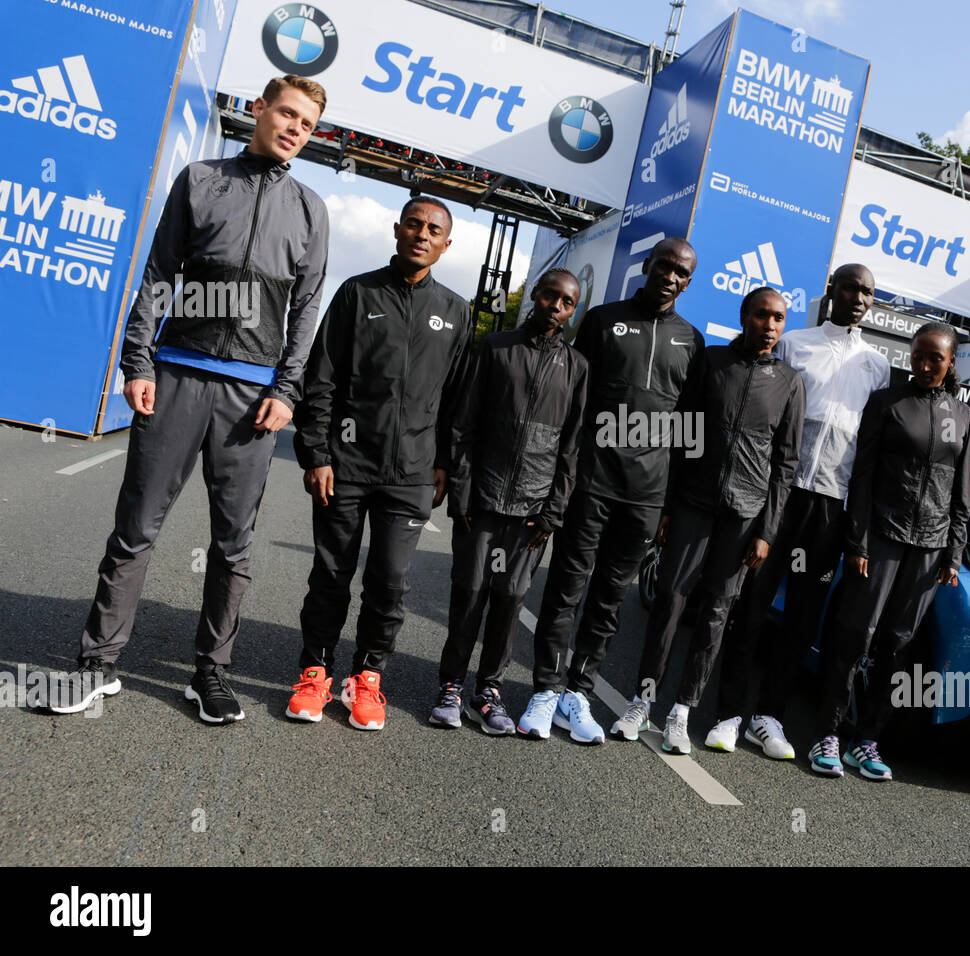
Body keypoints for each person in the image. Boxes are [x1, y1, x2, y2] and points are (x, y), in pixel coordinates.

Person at [44, 76, 330, 723]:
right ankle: (97, 665)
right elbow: (158, 274)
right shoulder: (200, 180)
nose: (293, 128)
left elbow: (307, 309)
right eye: (286, 113)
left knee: (235, 545)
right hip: (175, 376)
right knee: (136, 529)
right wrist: (138, 359)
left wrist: (288, 390)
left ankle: (211, 672)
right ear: (259, 109)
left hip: (251, 400)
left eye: (306, 124)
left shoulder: (311, 209)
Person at [285, 196, 472, 731]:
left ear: (446, 243)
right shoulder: (356, 292)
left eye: (433, 229)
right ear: (397, 229)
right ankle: (315, 673)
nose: (421, 233)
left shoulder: (456, 312)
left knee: (389, 582)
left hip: (412, 474)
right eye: (413, 223)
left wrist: (445, 465)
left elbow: (458, 401)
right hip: (344, 466)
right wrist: (317, 453)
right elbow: (320, 379)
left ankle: (366, 679)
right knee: (331, 574)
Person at [519, 238, 704, 743]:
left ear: (688, 281)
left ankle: (579, 691)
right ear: (647, 266)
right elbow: (573, 398)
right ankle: (546, 689)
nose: (670, 276)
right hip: (591, 483)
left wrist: (671, 503)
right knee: (565, 589)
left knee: (608, 600)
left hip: (647, 495)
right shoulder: (602, 320)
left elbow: (691, 429)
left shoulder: (692, 339)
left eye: (681, 272)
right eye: (664, 265)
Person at [610, 288, 804, 754]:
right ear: (744, 316)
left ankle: (682, 711)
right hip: (694, 505)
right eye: (762, 315)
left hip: (745, 515)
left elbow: (786, 464)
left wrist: (767, 532)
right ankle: (643, 700)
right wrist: (669, 505)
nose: (771, 325)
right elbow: (683, 433)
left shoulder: (790, 381)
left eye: (779, 318)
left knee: (716, 613)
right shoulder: (712, 360)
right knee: (671, 602)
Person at [707, 264, 889, 757]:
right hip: (780, 500)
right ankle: (727, 713)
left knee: (802, 619)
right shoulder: (795, 343)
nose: (859, 297)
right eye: (851, 287)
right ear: (832, 291)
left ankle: (768, 718)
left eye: (868, 292)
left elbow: (868, 449)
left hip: (830, 509)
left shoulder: (877, 365)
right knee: (752, 605)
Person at [809, 321, 970, 780]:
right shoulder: (887, 403)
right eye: (917, 356)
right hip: (880, 539)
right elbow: (861, 477)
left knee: (896, 646)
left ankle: (867, 740)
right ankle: (828, 733)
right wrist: (857, 540)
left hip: (930, 548)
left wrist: (953, 554)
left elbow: (963, 492)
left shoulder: (960, 416)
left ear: (950, 363)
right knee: (852, 637)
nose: (922, 365)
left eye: (933, 359)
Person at [428, 269, 589, 734]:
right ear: (535, 297)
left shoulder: (577, 366)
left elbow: (572, 446)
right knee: (470, 595)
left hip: (533, 511)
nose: (556, 307)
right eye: (550, 297)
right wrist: (461, 494)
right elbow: (463, 425)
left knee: (509, 600)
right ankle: (452, 686)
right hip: (482, 500)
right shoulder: (495, 348)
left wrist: (554, 510)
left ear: (572, 310)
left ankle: (489, 691)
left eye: (566, 302)